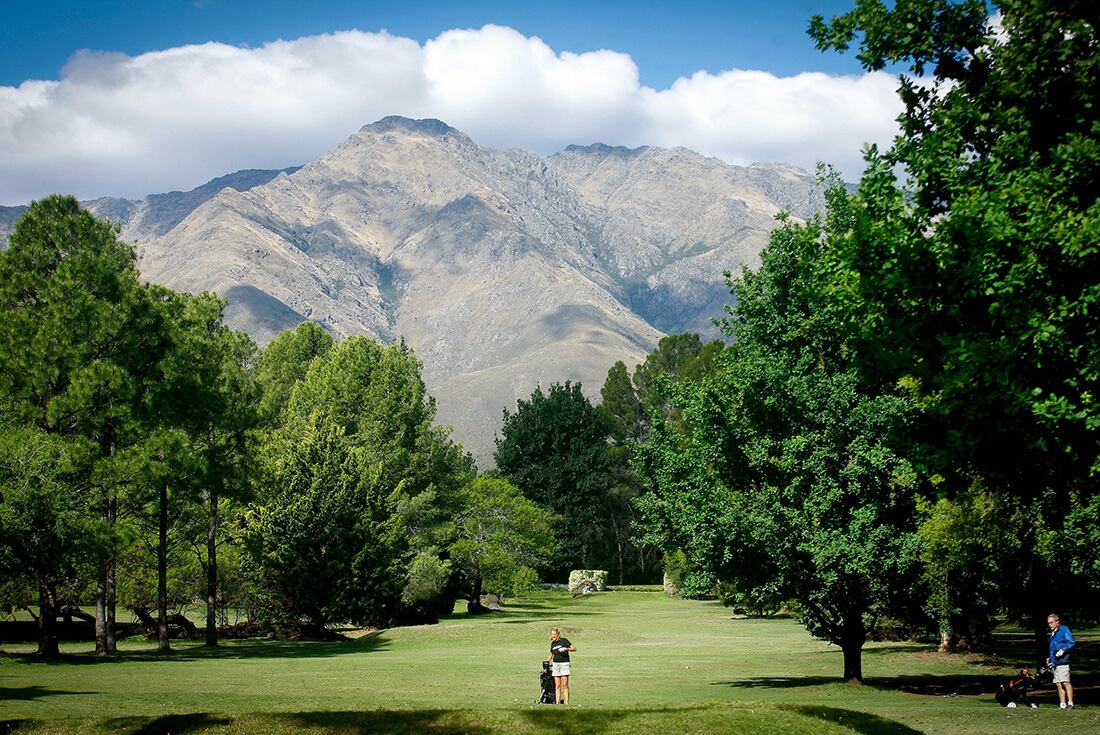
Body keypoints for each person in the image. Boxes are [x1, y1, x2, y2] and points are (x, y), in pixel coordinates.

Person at [1047, 613, 1076, 709]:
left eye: (1051, 622)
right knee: (1058, 683)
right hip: (1055, 662)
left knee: (1065, 682)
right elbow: (1052, 648)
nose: (1050, 624)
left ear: (1057, 622)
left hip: (1063, 660)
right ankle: (1062, 704)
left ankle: (1070, 703)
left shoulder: (1063, 630)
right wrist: (1051, 660)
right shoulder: (1053, 633)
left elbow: (1071, 642)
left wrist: (1063, 650)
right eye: (1049, 623)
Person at [547, 627, 576, 705]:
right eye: (552, 634)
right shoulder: (552, 643)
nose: (553, 636)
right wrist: (546, 663)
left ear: (558, 634)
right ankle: (557, 703)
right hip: (556, 665)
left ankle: (567, 703)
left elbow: (574, 648)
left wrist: (566, 649)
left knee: (565, 685)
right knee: (557, 685)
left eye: (554, 634)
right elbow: (551, 654)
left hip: (564, 664)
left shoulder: (564, 640)